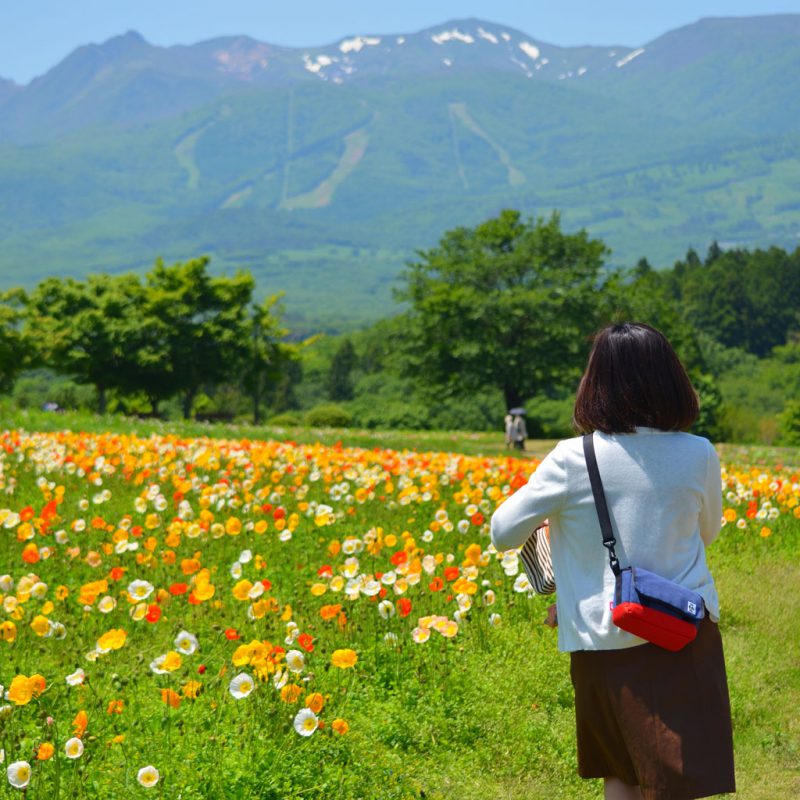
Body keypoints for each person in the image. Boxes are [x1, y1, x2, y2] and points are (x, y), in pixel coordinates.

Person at [490, 322, 735, 800]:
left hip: (601, 639)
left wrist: (558, 535)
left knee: (618, 773)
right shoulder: (698, 453)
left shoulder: (572, 458)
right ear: (670, 379)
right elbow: (708, 533)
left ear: (595, 383)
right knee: (677, 782)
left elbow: (503, 531)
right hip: (683, 633)